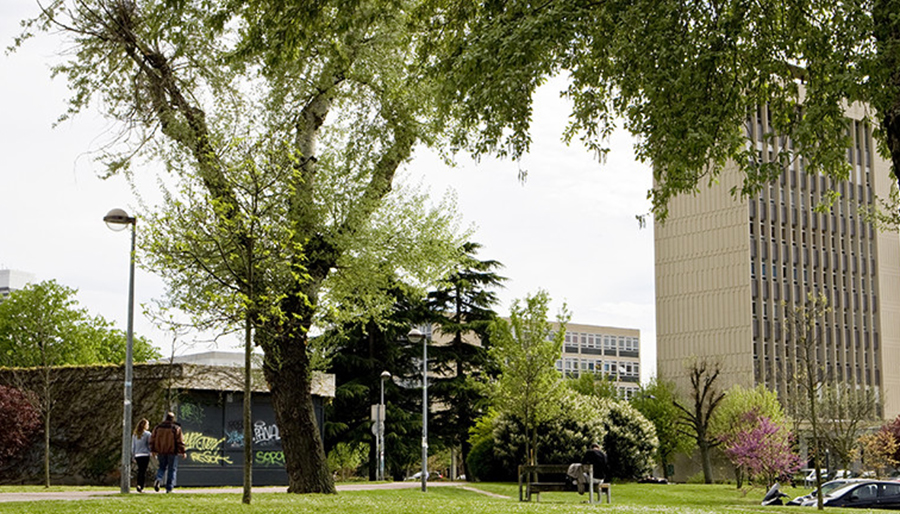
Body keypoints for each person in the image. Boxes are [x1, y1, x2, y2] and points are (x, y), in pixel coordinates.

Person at [149, 411, 186, 493]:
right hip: (172, 452)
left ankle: (158, 478)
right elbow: (180, 441)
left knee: (162, 467)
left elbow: (152, 439)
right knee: (172, 469)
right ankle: (169, 488)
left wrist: (153, 450)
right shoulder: (176, 428)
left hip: (161, 451)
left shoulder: (158, 428)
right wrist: (183, 451)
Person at [132, 418, 152, 492]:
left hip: (137, 454)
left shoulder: (135, 435)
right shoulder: (148, 434)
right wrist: (151, 452)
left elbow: (133, 446)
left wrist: (133, 455)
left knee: (140, 470)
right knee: (143, 471)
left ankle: (138, 484)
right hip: (145, 454)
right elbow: (149, 444)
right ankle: (141, 485)